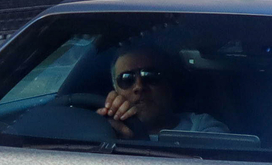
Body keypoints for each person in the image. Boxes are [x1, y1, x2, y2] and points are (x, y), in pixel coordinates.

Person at [98, 49, 228, 140]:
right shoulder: (104, 130)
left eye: (150, 76)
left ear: (169, 83)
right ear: (115, 90)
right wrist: (104, 127)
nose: (139, 86)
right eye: (126, 79)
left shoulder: (200, 127)